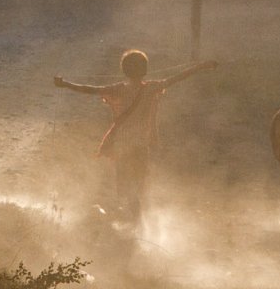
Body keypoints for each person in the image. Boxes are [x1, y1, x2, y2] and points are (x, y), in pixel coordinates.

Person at [53, 50, 217, 222]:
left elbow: (90, 89)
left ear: (124, 70)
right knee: (138, 187)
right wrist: (201, 67)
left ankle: (129, 222)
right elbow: (177, 78)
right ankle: (137, 222)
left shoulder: (117, 89)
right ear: (145, 69)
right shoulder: (152, 88)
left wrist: (65, 84)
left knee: (123, 189)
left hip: (122, 148)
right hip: (140, 147)